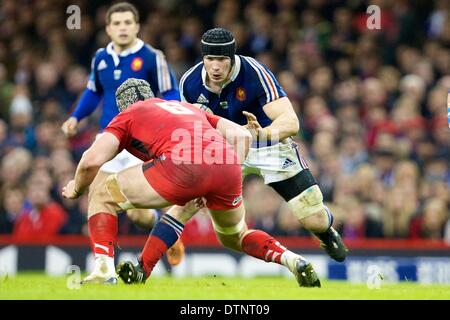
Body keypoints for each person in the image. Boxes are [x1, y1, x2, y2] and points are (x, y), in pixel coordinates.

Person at [62, 78, 321, 287]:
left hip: (182, 166)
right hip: (226, 167)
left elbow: (89, 161)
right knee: (234, 235)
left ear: (123, 106)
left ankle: (103, 270)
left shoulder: (129, 114)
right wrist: (230, 171)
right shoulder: (186, 108)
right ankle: (292, 260)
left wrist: (76, 187)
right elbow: (241, 135)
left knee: (102, 195)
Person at [179, 28, 348, 262]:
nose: (215, 67)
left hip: (267, 144)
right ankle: (160, 249)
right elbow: (192, 130)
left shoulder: (254, 73)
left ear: (232, 58)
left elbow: (291, 123)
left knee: (313, 218)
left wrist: (263, 134)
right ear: (203, 58)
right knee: (213, 221)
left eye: (222, 60)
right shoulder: (189, 82)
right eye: (210, 59)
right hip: (224, 150)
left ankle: (326, 232)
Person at [60, 2, 184, 268]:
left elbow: (171, 94)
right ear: (108, 28)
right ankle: (103, 266)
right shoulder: (101, 58)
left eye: (128, 22)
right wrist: (75, 117)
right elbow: (93, 91)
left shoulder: (152, 57)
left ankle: (166, 233)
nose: (123, 28)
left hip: (142, 141)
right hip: (110, 137)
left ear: (137, 26)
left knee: (139, 215)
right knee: (99, 194)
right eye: (117, 23)